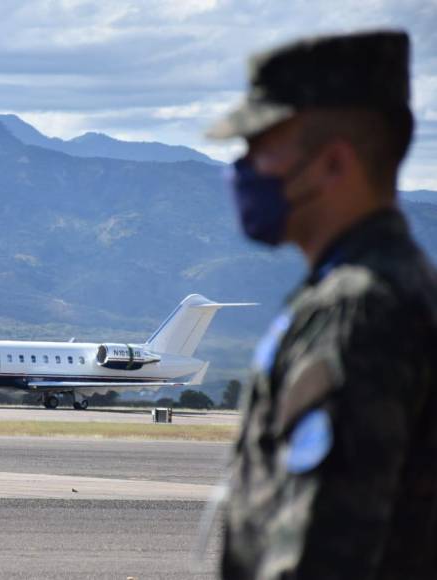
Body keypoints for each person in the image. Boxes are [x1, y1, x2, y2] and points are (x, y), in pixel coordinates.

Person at [206, 30, 437, 579]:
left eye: (261, 147)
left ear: (334, 164)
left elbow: (323, 551)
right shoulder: (396, 288)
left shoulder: (358, 312)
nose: (242, 168)